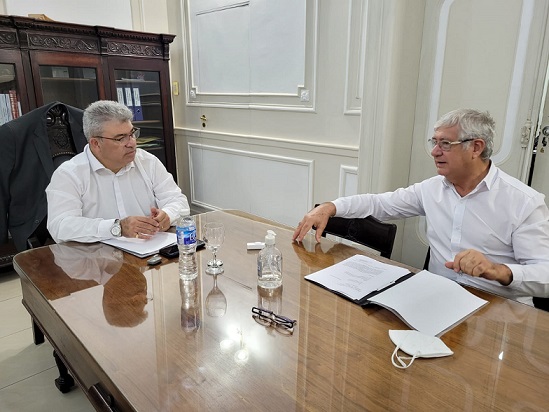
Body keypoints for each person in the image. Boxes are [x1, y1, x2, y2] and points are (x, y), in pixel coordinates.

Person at [292, 109, 549, 306]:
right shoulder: (432, 189)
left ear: (476, 147)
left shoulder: (524, 202)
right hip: (436, 300)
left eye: (445, 144)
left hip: (499, 311)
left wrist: (497, 270)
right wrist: (330, 207)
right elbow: (380, 203)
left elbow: (545, 276)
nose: (435, 152)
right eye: (434, 142)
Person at [46, 100, 189, 243]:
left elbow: (178, 200)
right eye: (120, 138)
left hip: (150, 249)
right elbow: (60, 226)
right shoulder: (69, 174)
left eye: (132, 134)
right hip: (96, 254)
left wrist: (168, 215)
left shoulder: (148, 162)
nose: (132, 143)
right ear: (96, 144)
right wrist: (116, 227)